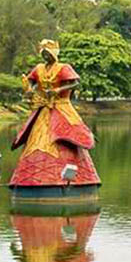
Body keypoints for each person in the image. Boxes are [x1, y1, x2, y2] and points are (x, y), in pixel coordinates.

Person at [9, 40, 100, 188]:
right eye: (44, 54)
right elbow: (32, 81)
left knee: (67, 133)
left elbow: (75, 82)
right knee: (37, 137)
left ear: (54, 54)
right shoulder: (39, 68)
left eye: (48, 54)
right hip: (43, 108)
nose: (46, 57)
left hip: (61, 106)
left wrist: (58, 90)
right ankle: (31, 178)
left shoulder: (63, 68)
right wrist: (31, 89)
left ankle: (75, 178)